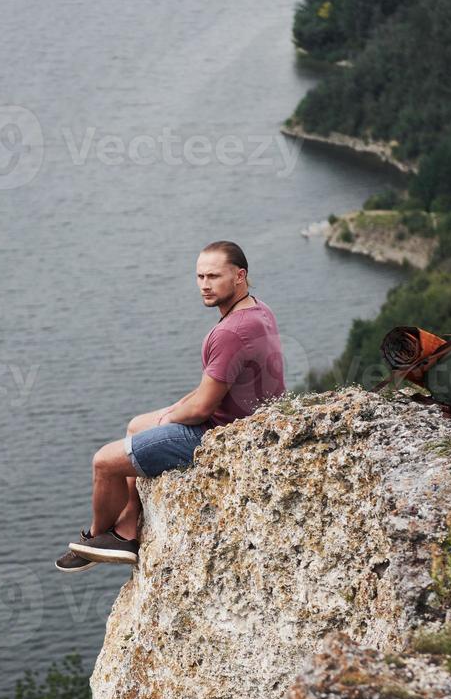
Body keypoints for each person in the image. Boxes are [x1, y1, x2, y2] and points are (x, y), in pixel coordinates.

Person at [56, 241, 285, 571]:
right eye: (199, 276)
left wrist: (168, 419)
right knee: (137, 425)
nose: (204, 285)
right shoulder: (258, 311)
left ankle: (95, 538)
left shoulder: (230, 333)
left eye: (213, 276)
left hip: (221, 435)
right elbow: (215, 387)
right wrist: (169, 411)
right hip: (250, 419)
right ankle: (126, 528)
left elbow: (201, 410)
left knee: (104, 462)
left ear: (239, 275)